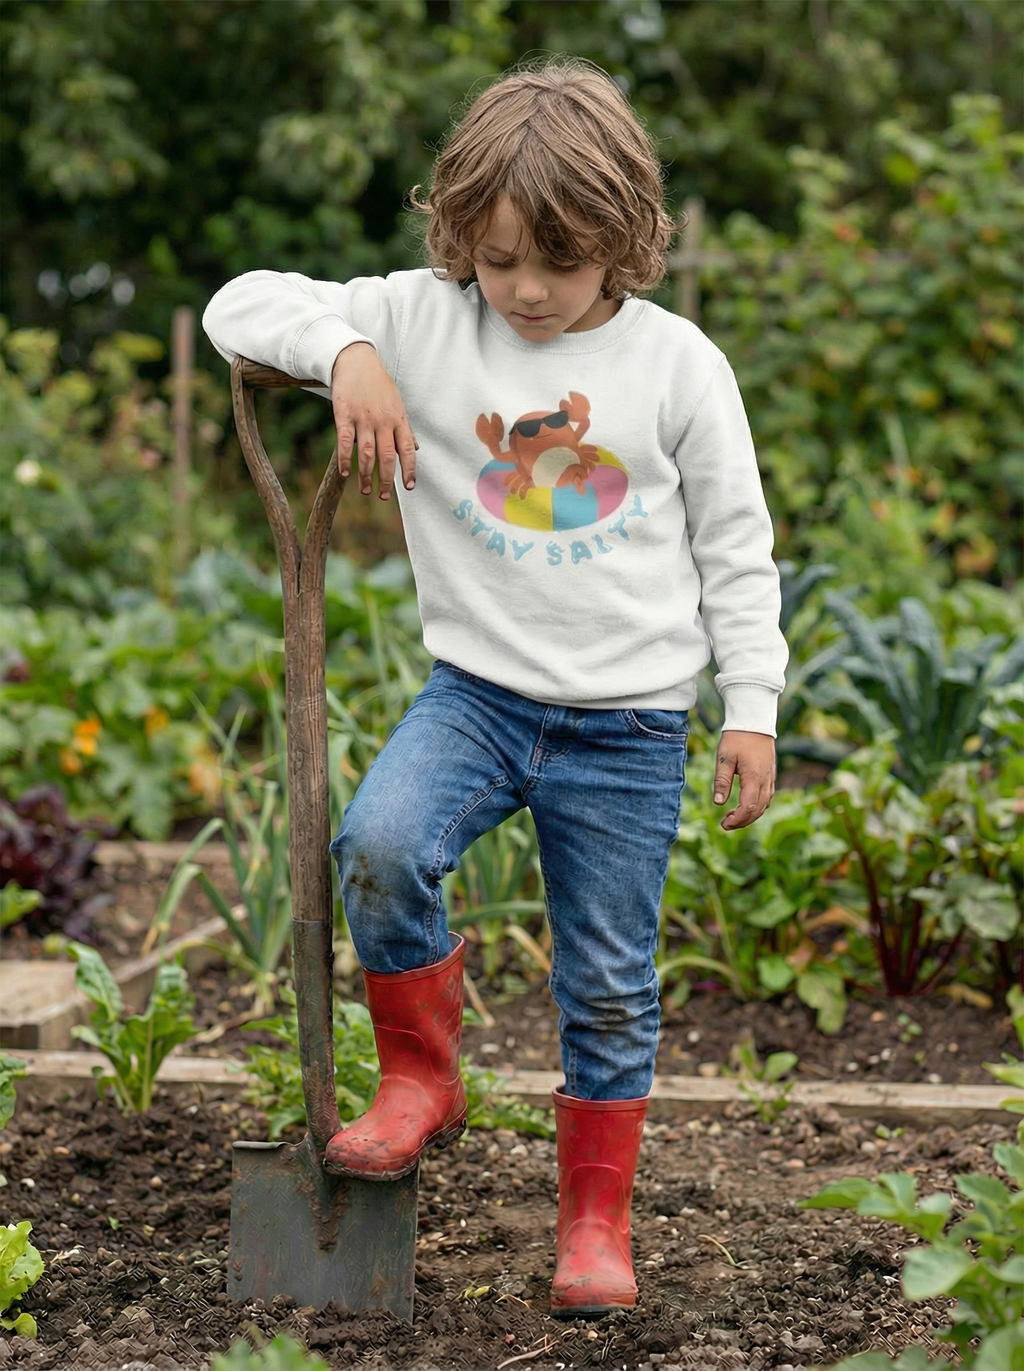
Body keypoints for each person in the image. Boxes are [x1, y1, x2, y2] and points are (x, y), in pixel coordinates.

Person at [203, 58, 787, 1318]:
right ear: (460, 231)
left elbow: (738, 547)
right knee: (379, 845)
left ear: (625, 238)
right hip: (475, 698)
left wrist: (751, 706)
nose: (523, 289)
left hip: (629, 726)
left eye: (559, 264)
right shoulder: (422, 319)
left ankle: (593, 1223)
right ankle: (423, 1078)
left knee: (609, 980)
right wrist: (347, 351)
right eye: (500, 255)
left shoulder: (677, 366)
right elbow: (238, 305)